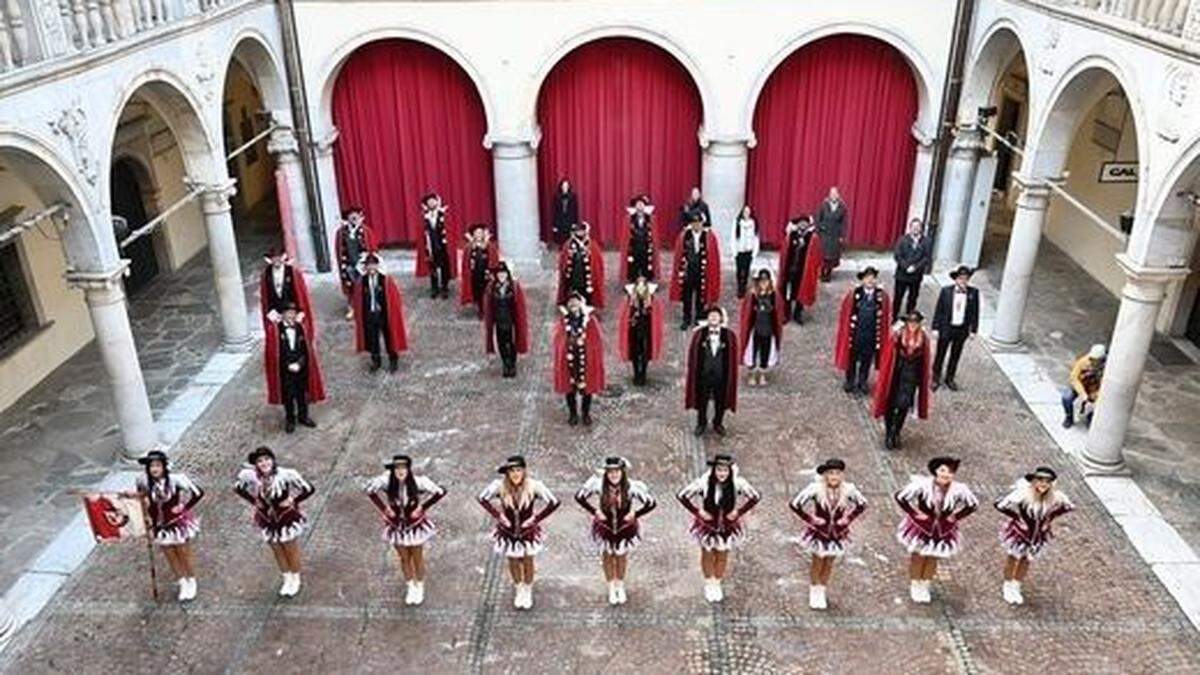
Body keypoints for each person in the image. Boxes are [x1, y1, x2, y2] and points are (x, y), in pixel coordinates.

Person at [478, 455, 560, 609]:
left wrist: (535, 519)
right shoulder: (499, 486)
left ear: (524, 471)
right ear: (507, 473)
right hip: (507, 532)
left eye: (518, 470)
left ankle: (527, 589)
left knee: (528, 559)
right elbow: (482, 498)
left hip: (527, 532)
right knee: (513, 560)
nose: (515, 474)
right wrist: (499, 516)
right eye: (512, 471)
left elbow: (554, 502)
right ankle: (519, 588)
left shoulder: (534, 486)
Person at [676, 454, 760, 603]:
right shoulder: (705, 483)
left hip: (727, 526)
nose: (722, 474)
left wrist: (738, 512)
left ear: (730, 471)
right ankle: (709, 583)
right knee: (707, 553)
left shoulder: (737, 484)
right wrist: (698, 511)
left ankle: (717, 582)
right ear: (714, 470)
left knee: (722, 554)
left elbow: (755, 497)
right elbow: (682, 495)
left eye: (725, 470)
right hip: (708, 525)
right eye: (719, 470)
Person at [365, 454, 446, 606]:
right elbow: (369, 490)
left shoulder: (419, 482)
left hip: (414, 526)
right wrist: (384, 508)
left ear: (408, 469)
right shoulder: (387, 482)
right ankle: (410, 586)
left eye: (403, 468)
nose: (400, 471)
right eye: (397, 468)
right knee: (403, 558)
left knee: (417, 557)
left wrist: (422, 507)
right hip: (396, 526)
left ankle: (420, 585)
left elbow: (440, 492)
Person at [894, 456, 978, 604]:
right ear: (936, 471)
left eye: (951, 472)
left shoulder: (959, 489)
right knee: (918, 556)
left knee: (933, 557)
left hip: (943, 529)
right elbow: (901, 497)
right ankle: (915, 584)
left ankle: (925, 585)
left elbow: (972, 505)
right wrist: (914, 513)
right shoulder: (922, 485)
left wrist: (956, 516)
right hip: (922, 527)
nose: (946, 474)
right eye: (943, 470)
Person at [574, 457, 657, 605]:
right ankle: (611, 585)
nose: (614, 475)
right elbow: (580, 497)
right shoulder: (599, 485)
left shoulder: (631, 487)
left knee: (620, 556)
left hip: (624, 529)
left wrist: (635, 514)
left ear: (622, 472)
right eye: (610, 472)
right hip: (605, 528)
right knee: (607, 556)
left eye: (617, 471)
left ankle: (620, 584)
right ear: (606, 473)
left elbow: (651, 503)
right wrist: (595, 511)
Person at [234, 446, 315, 598]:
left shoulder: (286, 474)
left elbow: (309, 489)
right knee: (277, 549)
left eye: (267, 459)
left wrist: (293, 500)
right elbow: (238, 488)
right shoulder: (251, 476)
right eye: (260, 461)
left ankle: (295, 578)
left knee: (290, 548)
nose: (264, 463)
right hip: (267, 518)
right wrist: (254, 501)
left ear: (273, 460)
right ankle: (286, 577)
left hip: (285, 516)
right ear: (256, 464)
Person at [788, 458, 867, 610]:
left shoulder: (848, 489)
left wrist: (848, 518)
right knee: (818, 560)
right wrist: (810, 518)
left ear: (842, 475)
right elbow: (795, 504)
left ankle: (822, 589)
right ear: (825, 475)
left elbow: (862, 504)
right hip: (820, 532)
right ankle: (814, 589)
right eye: (831, 473)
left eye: (837, 473)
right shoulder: (816, 489)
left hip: (837, 532)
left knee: (830, 561)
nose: (834, 476)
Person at [127, 449, 204, 602]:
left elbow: (198, 493)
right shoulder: (143, 481)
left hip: (176, 523)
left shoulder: (176, 480)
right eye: (151, 466)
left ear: (164, 466)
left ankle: (191, 580)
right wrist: (145, 517)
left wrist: (184, 507)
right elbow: (143, 500)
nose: (154, 469)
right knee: (170, 555)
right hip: (159, 526)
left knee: (183, 553)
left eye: (157, 465)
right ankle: (182, 581)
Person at [994, 467, 1074, 605]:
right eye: (1040, 480)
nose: (1043, 484)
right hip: (1020, 533)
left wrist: (1050, 518)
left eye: (1047, 481)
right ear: (1034, 481)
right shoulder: (1023, 494)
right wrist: (1016, 517)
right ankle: (1007, 585)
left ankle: (1016, 586)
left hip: (1038, 536)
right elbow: (1000, 505)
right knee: (1013, 558)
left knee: (1026, 559)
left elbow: (1068, 506)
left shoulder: (1055, 497)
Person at [873, 311, 933, 450]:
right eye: (910, 322)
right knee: (890, 405)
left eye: (915, 322)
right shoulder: (898, 336)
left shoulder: (923, 339)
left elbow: (924, 361)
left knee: (904, 407)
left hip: (911, 378)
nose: (912, 325)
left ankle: (897, 432)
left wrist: (921, 381)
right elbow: (888, 357)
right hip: (896, 376)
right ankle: (889, 433)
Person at [264, 302, 325, 433]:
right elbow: (275, 353)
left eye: (293, 313)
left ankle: (303, 416)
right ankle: (290, 419)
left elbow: (306, 350)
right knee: (288, 396)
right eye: (288, 313)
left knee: (302, 394)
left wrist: (300, 364)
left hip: (300, 369)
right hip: (285, 371)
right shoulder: (275, 330)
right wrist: (288, 365)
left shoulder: (301, 328)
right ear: (283, 314)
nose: (291, 315)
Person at [834, 267, 892, 395]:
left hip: (871, 335)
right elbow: (845, 315)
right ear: (862, 280)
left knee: (866, 360)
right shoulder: (854, 294)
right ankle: (850, 380)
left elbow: (885, 319)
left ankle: (862, 381)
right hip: (856, 334)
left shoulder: (882, 296)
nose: (870, 280)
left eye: (872, 278)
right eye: (867, 278)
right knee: (852, 359)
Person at [552, 293, 606, 426]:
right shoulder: (564, 321)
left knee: (587, 388)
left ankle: (586, 413)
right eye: (571, 303)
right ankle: (573, 413)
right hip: (569, 358)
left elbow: (596, 340)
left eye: (576, 303)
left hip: (585, 358)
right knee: (569, 389)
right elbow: (559, 340)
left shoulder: (590, 320)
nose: (573, 306)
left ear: (581, 304)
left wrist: (589, 349)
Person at [685, 306, 739, 436]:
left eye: (716, 315)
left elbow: (733, 357)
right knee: (702, 400)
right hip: (704, 374)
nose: (713, 317)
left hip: (721, 375)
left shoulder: (729, 335)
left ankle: (718, 423)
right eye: (711, 315)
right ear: (707, 318)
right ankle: (701, 423)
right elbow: (693, 355)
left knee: (720, 400)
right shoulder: (699, 334)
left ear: (721, 318)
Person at [351, 253, 409, 373]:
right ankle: (376, 361)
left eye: (373, 265)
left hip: (384, 314)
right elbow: (358, 300)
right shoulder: (362, 282)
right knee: (373, 339)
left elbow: (394, 299)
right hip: (370, 315)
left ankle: (393, 360)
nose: (371, 268)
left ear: (377, 266)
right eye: (369, 266)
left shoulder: (386, 280)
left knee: (389, 337)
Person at [932, 265, 980, 391]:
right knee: (940, 354)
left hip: (961, 329)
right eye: (960, 278)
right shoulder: (946, 291)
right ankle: (935, 377)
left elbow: (975, 312)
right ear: (956, 279)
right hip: (946, 327)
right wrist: (935, 327)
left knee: (955, 355)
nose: (963, 281)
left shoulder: (973, 293)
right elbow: (939, 310)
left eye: (965, 278)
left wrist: (973, 329)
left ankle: (950, 378)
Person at [671, 213, 721, 330]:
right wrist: (680, 271)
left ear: (702, 223)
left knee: (701, 297)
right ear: (691, 224)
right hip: (688, 272)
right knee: (686, 296)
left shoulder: (709, 236)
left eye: (698, 223)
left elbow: (714, 256)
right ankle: (686, 318)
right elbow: (679, 255)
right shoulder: (684, 236)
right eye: (694, 223)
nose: (696, 225)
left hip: (702, 272)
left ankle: (699, 317)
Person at [738, 269, 784, 388]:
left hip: (768, 328)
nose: (764, 283)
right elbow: (746, 313)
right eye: (761, 281)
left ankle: (763, 372)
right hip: (755, 328)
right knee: (752, 350)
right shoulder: (753, 295)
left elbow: (778, 312)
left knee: (765, 350)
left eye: (766, 281)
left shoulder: (774, 295)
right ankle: (752, 373)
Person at [483, 261, 530, 378]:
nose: (501, 276)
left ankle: (512, 364)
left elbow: (519, 305)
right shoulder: (492, 287)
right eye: (499, 274)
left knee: (511, 343)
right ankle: (505, 363)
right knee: (502, 344)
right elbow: (489, 305)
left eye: (503, 274)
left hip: (510, 321)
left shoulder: (513, 287)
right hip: (499, 320)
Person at [617, 275, 664, 386]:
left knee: (645, 353)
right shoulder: (631, 300)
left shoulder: (652, 300)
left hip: (647, 331)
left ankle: (643, 372)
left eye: (643, 284)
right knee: (634, 352)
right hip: (634, 330)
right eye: (639, 284)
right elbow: (625, 316)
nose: (641, 287)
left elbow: (656, 317)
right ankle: (636, 373)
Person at [259, 248, 315, 337]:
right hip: (276, 314)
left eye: (279, 257)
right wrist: (270, 311)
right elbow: (266, 296)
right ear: (270, 260)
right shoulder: (266, 274)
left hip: (292, 313)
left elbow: (300, 293)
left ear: (283, 257)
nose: (276, 260)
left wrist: (300, 311)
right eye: (274, 258)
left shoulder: (292, 272)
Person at [778, 215, 822, 324]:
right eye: (800, 223)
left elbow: (815, 256)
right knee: (788, 294)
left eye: (805, 223)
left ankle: (798, 314)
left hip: (803, 272)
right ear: (797, 224)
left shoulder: (812, 238)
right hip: (790, 270)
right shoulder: (791, 236)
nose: (802, 225)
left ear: (808, 225)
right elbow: (784, 253)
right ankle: (786, 314)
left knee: (800, 294)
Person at [334, 206, 376, 320]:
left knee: (365, 285)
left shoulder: (366, 231)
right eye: (351, 215)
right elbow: (338, 249)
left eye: (356, 215)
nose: (353, 217)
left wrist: (370, 262)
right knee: (351, 287)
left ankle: (367, 307)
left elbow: (372, 247)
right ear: (347, 217)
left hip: (363, 265)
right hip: (349, 265)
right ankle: (352, 308)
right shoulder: (341, 232)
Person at [557, 221, 606, 309]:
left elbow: (597, 264)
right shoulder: (568, 245)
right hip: (573, 277)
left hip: (585, 278)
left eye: (581, 231)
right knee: (573, 294)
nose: (580, 233)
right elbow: (563, 262)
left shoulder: (592, 245)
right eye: (578, 231)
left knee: (586, 294)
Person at [418, 192, 456, 299]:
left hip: (443, 246)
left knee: (444, 267)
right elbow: (421, 231)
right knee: (432, 268)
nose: (431, 203)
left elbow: (450, 230)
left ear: (437, 202)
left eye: (433, 201)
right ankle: (434, 287)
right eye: (429, 202)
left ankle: (444, 287)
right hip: (431, 247)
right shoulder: (424, 217)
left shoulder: (443, 214)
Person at [891, 218, 932, 317]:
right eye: (914, 227)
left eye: (918, 227)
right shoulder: (902, 239)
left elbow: (927, 258)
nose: (915, 229)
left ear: (921, 228)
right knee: (898, 297)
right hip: (902, 275)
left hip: (916, 276)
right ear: (910, 228)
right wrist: (906, 267)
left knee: (913, 298)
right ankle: (894, 316)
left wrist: (915, 267)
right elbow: (897, 255)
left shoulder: (926, 241)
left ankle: (910, 316)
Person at [1062, 344, 1106, 428]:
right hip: (1081, 386)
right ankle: (1069, 417)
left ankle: (1091, 417)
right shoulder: (1083, 362)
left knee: (1101, 402)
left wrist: (1096, 395)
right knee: (1066, 397)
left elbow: (1105, 383)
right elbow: (1074, 378)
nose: (1091, 361)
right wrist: (1083, 394)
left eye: (1095, 360)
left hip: (1094, 389)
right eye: (1091, 359)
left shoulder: (1106, 367)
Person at [460, 223, 499, 317]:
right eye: (476, 233)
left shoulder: (489, 246)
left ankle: (487, 308)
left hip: (486, 273)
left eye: (480, 233)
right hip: (474, 273)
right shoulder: (469, 247)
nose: (478, 235)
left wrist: (492, 272)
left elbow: (494, 260)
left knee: (487, 291)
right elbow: (466, 262)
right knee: (477, 292)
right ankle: (481, 308)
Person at [621, 194, 659, 282]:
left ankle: (647, 287)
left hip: (646, 249)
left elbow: (654, 237)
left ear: (645, 206)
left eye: (642, 204)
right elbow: (626, 237)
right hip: (634, 250)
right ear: (635, 206)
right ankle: (633, 284)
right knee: (633, 270)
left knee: (646, 270)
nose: (640, 206)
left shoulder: (651, 219)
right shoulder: (629, 219)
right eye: (638, 204)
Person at [815, 187, 847, 281]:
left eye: (835, 194)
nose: (834, 196)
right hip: (824, 234)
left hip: (835, 235)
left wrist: (842, 235)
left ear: (838, 195)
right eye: (832, 194)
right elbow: (818, 218)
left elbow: (844, 223)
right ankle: (822, 273)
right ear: (829, 194)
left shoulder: (842, 207)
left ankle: (828, 274)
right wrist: (819, 229)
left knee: (831, 257)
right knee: (823, 256)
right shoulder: (823, 205)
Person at [732, 205, 760, 298]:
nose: (747, 214)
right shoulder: (737, 223)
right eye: (745, 212)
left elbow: (756, 238)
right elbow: (733, 238)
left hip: (749, 251)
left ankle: (743, 287)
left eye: (748, 212)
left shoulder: (753, 223)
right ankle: (740, 287)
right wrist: (734, 251)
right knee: (739, 270)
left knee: (746, 270)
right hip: (740, 251)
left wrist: (754, 252)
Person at [551, 178, 579, 245]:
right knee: (561, 240)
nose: (565, 188)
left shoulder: (573, 196)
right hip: (560, 221)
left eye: (566, 186)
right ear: (561, 187)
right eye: (563, 186)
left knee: (570, 240)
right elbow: (554, 211)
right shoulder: (557, 197)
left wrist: (575, 222)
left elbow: (575, 210)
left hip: (569, 221)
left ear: (569, 187)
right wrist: (554, 225)